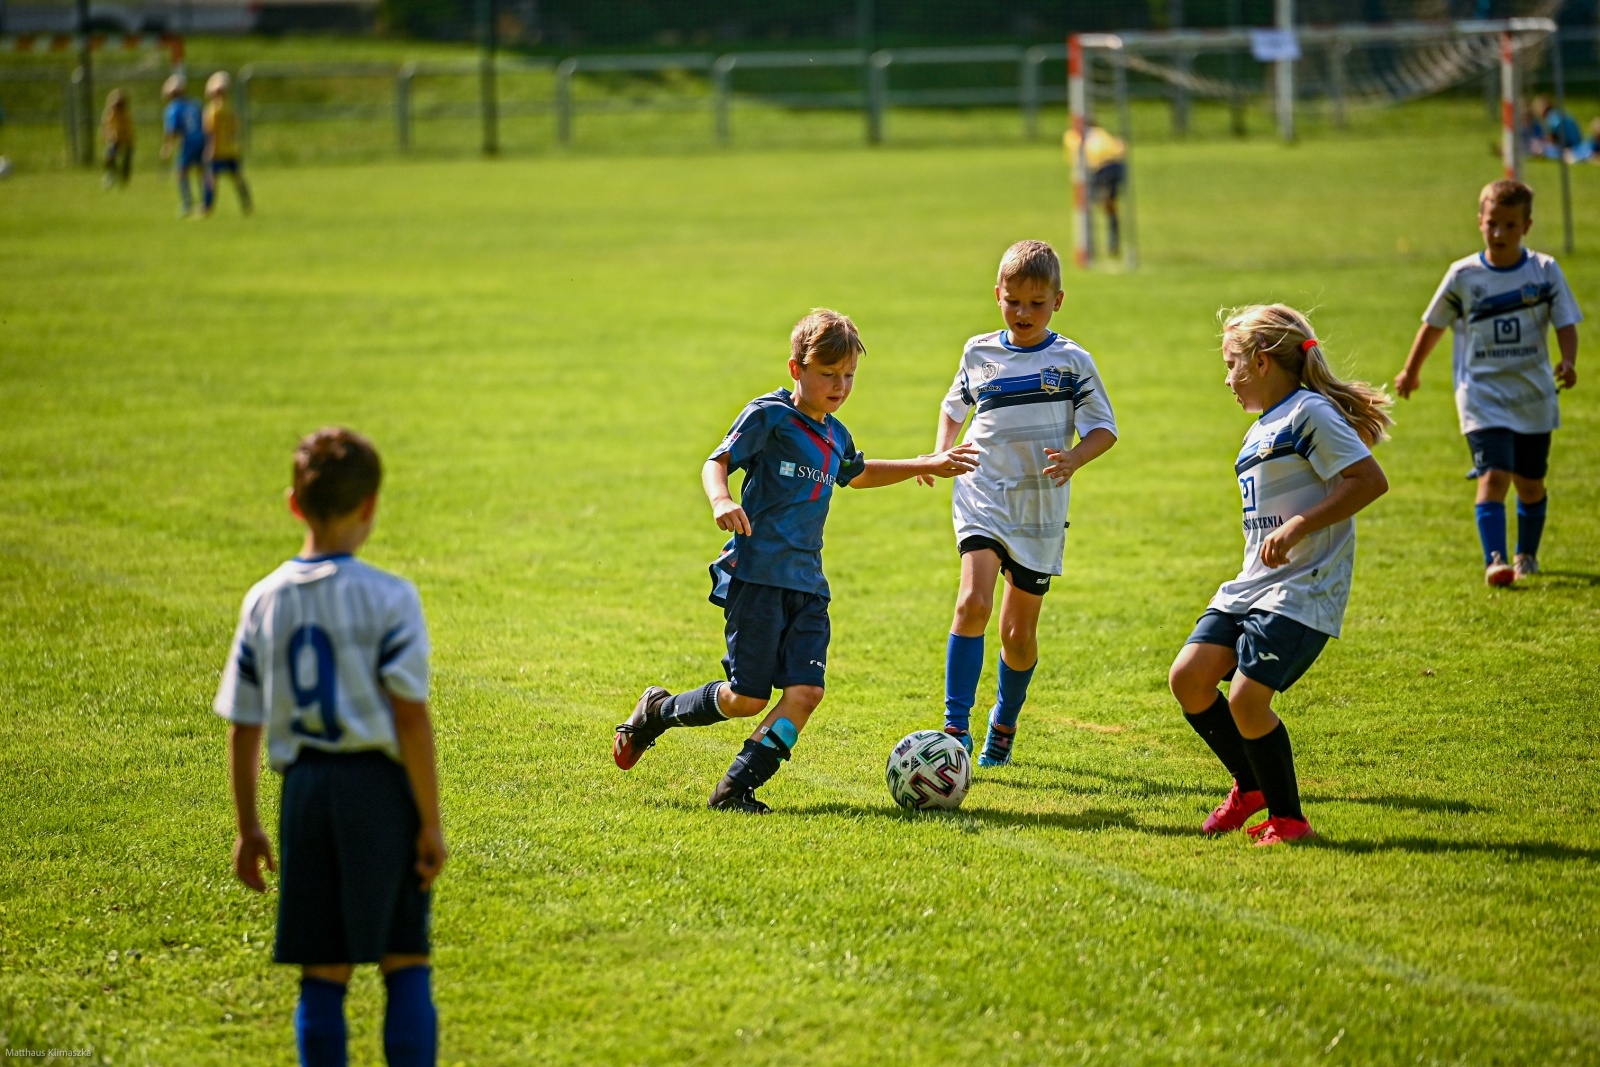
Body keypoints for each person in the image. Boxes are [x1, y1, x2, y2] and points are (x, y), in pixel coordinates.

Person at [613, 310, 979, 814]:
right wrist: (721, 500)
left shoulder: (836, 435)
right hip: (757, 578)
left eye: (848, 375)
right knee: (747, 699)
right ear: (796, 369)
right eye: (828, 374)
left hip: (808, 586)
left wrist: (924, 463)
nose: (840, 385)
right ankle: (658, 711)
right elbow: (715, 461)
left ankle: (735, 790)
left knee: (805, 692)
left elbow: (857, 472)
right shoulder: (770, 417)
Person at [215, 428, 445, 1067]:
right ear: (371, 504)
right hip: (377, 790)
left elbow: (243, 722)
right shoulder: (390, 596)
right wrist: (429, 822)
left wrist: (247, 826)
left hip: (305, 793)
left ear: (294, 504)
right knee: (404, 958)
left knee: (322, 969)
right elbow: (410, 717)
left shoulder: (264, 599)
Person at [1169, 305, 1390, 847]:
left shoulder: (1309, 413)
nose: (1227, 378)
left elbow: (1368, 480)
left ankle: (1289, 820)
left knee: (1247, 699)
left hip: (1302, 587)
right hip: (1252, 585)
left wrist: (1298, 526)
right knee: (1190, 678)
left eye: (1231, 365)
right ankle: (1250, 788)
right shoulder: (1258, 430)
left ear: (1262, 362)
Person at [929, 240, 1118, 766]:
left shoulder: (1072, 360)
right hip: (983, 493)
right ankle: (955, 727)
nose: (1023, 313)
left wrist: (1075, 458)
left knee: (1017, 633)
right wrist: (943, 452)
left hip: (1040, 509)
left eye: (1036, 303)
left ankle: (1004, 722)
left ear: (1058, 301)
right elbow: (953, 407)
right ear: (997, 295)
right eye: (1013, 301)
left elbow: (1105, 429)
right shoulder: (978, 352)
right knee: (973, 603)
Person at [1394, 179, 1580, 586]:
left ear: (1526, 226)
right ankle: (1495, 560)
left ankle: (1526, 554)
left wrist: (1567, 360)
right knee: (1494, 476)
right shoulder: (1463, 276)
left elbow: (1565, 321)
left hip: (1533, 395)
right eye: (1492, 223)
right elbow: (1433, 325)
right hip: (1481, 394)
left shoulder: (1544, 271)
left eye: (1510, 225)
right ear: (1480, 220)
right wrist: (1411, 370)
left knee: (1531, 486)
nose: (1499, 233)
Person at [1063, 121, 1128, 258]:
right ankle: (1111, 242)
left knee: (1089, 205)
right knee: (1109, 207)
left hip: (1099, 170)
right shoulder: (1100, 133)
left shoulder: (1073, 136)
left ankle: (1090, 246)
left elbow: (1078, 160)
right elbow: (1121, 147)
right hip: (1116, 167)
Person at [202, 71, 252, 217]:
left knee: (211, 180)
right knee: (237, 177)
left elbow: (212, 133)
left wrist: (209, 150)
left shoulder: (212, 111)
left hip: (217, 151)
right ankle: (247, 203)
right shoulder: (229, 109)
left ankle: (207, 208)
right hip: (231, 150)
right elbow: (234, 132)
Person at [160, 74, 205, 217]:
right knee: (201, 171)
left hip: (188, 142)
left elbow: (172, 131)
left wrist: (167, 148)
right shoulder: (195, 103)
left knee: (181, 172)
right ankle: (205, 201)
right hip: (202, 139)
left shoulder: (173, 108)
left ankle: (187, 203)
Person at [101, 89, 134, 189]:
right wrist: (110, 136)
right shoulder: (110, 113)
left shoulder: (125, 115)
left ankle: (124, 178)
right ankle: (111, 174)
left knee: (126, 162)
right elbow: (106, 127)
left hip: (126, 139)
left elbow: (128, 131)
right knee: (109, 157)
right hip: (115, 139)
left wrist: (124, 140)